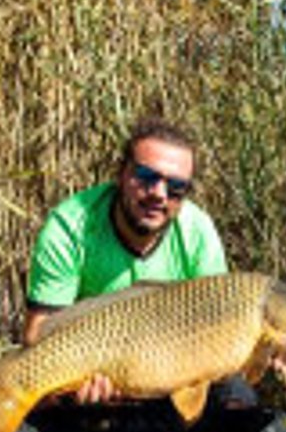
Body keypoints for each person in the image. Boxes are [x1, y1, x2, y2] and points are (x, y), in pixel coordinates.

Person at [23, 115, 254, 408]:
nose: (159, 194)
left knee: (237, 396)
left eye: (176, 186)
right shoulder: (70, 226)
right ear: (120, 174)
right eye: (146, 176)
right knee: (47, 398)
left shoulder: (198, 230)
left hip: (172, 363)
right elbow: (37, 335)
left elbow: (220, 324)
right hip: (92, 367)